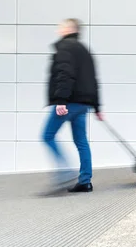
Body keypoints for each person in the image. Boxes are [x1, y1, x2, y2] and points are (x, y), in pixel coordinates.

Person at [42, 18, 102, 193]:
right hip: (83, 104)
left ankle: (66, 172)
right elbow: (94, 80)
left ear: (69, 29)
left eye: (61, 27)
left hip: (68, 102)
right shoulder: (85, 50)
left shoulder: (65, 47)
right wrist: (97, 107)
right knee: (81, 141)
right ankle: (85, 181)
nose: (58, 30)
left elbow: (64, 73)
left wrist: (61, 100)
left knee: (47, 135)